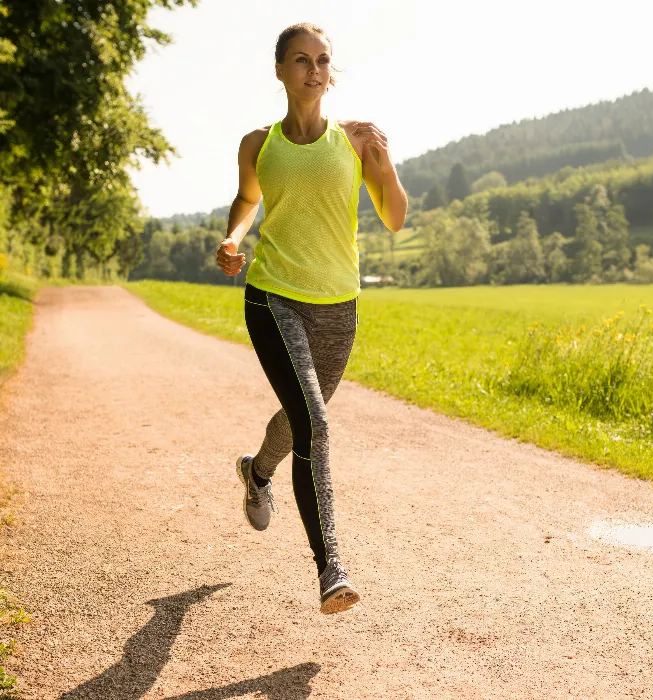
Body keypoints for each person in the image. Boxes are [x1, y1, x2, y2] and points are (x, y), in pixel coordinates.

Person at [216, 23, 407, 614]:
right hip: (272, 297)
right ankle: (332, 569)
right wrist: (232, 236)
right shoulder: (258, 144)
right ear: (280, 72)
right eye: (302, 60)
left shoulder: (354, 143)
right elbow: (248, 199)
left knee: (305, 421)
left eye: (323, 60)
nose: (315, 69)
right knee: (317, 427)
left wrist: (386, 160)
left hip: (337, 308)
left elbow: (395, 217)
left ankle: (257, 471)